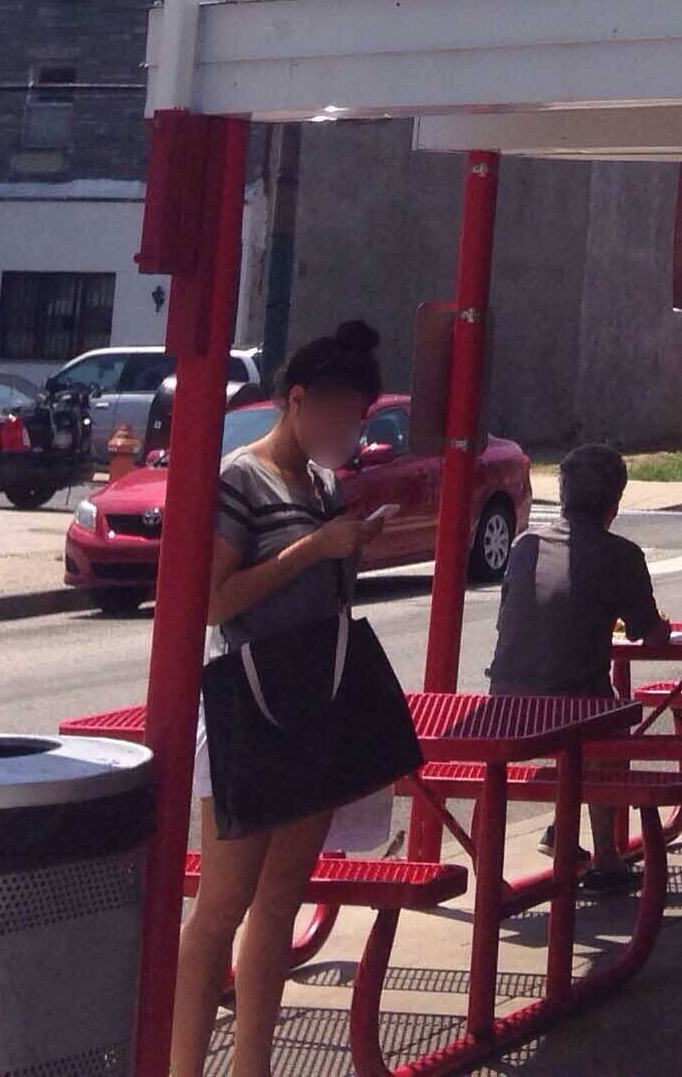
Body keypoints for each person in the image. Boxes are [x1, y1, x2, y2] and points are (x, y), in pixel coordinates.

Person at [173, 321, 391, 1077]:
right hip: (250, 707)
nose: (347, 430)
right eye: (338, 415)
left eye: (358, 418)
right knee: (222, 905)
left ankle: (252, 1067)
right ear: (298, 401)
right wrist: (315, 550)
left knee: (281, 899)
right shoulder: (244, 477)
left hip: (315, 704)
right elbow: (213, 600)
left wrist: (346, 546)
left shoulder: (322, 485)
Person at [488, 442, 669, 892]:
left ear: (563, 495)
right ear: (615, 503)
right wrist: (657, 626)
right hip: (573, 707)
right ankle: (607, 856)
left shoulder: (524, 545)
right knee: (608, 723)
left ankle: (561, 833)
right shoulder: (621, 555)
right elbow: (647, 632)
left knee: (578, 712)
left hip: (505, 702)